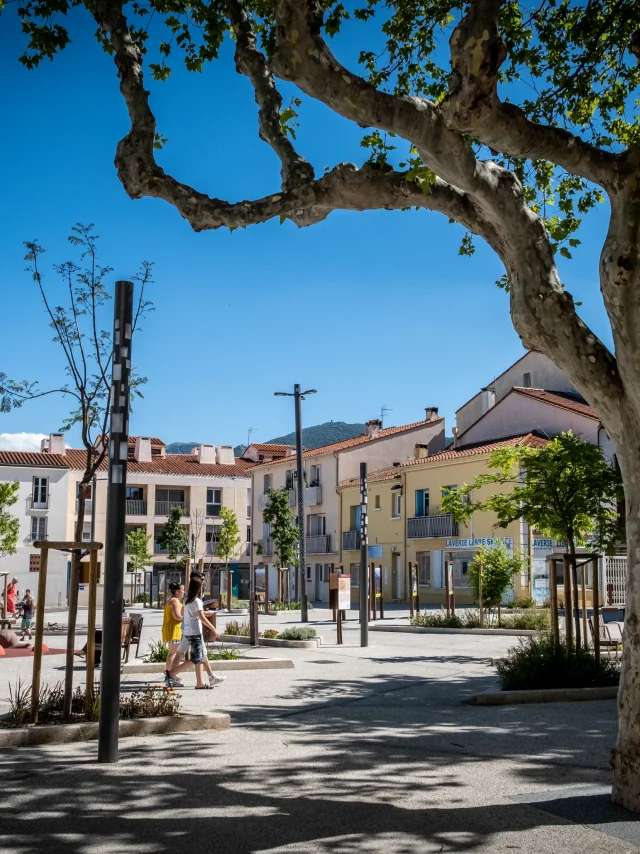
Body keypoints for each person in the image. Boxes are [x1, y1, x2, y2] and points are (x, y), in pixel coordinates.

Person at [168, 573, 226, 689]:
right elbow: (203, 618)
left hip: (188, 631)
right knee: (197, 658)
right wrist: (213, 629)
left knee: (201, 655)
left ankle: (204, 680)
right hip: (195, 633)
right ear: (199, 587)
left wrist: (196, 616)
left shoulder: (187, 600)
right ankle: (172, 674)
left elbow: (184, 614)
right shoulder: (197, 601)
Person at [162, 582, 185, 687]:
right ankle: (171, 677)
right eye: (182, 590)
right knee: (173, 654)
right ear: (177, 592)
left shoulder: (171, 600)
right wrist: (187, 616)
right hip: (174, 629)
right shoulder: (175, 601)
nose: (184, 592)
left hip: (170, 629)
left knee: (171, 653)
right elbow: (177, 616)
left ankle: (168, 675)